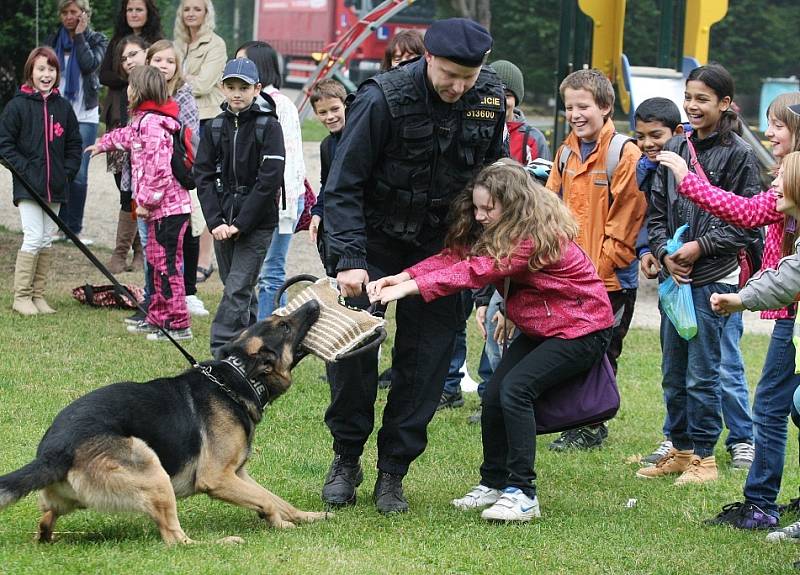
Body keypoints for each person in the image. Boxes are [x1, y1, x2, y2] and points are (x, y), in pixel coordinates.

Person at [321, 18, 505, 514]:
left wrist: (485, 249)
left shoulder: (489, 99)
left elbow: (495, 176)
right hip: (375, 243)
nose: (458, 86)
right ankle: (346, 457)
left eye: (468, 76)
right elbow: (343, 185)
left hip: (442, 248)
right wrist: (351, 260)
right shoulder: (383, 98)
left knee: (423, 367)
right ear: (428, 58)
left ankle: (393, 473)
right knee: (353, 358)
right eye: (449, 74)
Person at [367, 161, 614, 521]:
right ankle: (494, 483)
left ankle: (523, 494)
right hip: (545, 326)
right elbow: (456, 257)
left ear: (513, 205)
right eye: (478, 207)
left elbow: (476, 271)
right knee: (496, 393)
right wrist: (402, 275)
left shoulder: (531, 235)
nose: (481, 216)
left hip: (582, 329)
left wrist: (407, 290)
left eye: (488, 209)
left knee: (516, 390)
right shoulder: (500, 228)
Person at [656, 96, 800, 527]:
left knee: (774, 404)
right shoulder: (787, 180)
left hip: (787, 308)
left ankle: (759, 503)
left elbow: (745, 214)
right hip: (789, 314)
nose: (769, 133)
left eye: (777, 126)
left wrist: (687, 178)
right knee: (775, 406)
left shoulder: (792, 180)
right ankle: (759, 502)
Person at [636, 63, 760, 485]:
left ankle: (705, 458)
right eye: (688, 97)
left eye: (702, 99)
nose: (692, 106)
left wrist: (698, 247)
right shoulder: (675, 146)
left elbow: (746, 224)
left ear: (725, 104)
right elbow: (656, 212)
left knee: (704, 372)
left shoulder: (740, 154)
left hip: (713, 280)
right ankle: (681, 447)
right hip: (675, 281)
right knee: (673, 370)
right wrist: (662, 252)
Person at [441, 58, 553, 414]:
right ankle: (487, 388)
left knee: (509, 321)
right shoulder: (473, 127)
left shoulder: (531, 139)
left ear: (515, 99)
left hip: (517, 240)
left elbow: (542, 188)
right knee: (487, 316)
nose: (500, 101)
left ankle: (507, 392)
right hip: (484, 236)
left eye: (507, 95)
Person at [545, 68, 647, 451]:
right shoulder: (565, 153)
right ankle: (575, 419)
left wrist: (592, 275)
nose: (575, 114)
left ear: (605, 107)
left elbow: (625, 227)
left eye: (583, 106)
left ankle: (592, 426)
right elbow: (549, 211)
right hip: (569, 277)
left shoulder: (625, 153)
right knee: (570, 350)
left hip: (610, 281)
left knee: (602, 352)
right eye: (569, 106)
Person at [87, 66, 193, 341]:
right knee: (155, 266)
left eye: (131, 87)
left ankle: (179, 324)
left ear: (142, 90)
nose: (128, 92)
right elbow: (127, 137)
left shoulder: (154, 125)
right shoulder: (144, 120)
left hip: (168, 210)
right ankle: (157, 318)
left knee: (168, 267)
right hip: (159, 210)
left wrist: (145, 202)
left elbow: (159, 171)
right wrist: (104, 143)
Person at [193, 58, 285, 358]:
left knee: (236, 288)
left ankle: (219, 353)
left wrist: (241, 223)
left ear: (256, 89)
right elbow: (203, 175)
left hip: (257, 224)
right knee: (238, 289)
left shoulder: (269, 126)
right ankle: (254, 347)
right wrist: (216, 221)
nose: (236, 93)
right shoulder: (214, 126)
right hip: (223, 224)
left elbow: (269, 181)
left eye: (243, 88)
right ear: (221, 88)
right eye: (230, 87)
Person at [0, 46, 82, 315]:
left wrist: (67, 171)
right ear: (30, 72)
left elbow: (74, 143)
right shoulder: (17, 106)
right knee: (34, 235)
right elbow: (5, 145)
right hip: (28, 186)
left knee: (47, 238)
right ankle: (21, 296)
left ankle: (38, 295)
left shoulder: (64, 107)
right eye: (41, 69)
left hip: (56, 186)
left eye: (51, 69)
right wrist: (24, 170)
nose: (46, 74)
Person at [236, 41, 306, 319]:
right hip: (258, 199)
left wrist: (284, 206)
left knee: (271, 271)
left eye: (243, 63)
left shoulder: (279, 104)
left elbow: (287, 158)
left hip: (280, 200)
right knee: (258, 270)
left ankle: (269, 332)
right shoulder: (249, 102)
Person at [146, 39, 208, 318]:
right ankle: (153, 297)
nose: (163, 66)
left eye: (169, 61)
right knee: (152, 241)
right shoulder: (139, 92)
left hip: (180, 174)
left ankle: (188, 292)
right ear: (148, 62)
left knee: (188, 233)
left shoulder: (183, 94)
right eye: (158, 60)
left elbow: (190, 133)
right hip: (149, 180)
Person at [98, 0, 162, 262]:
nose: (134, 14)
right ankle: (137, 248)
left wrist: (138, 77)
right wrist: (132, 76)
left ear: (148, 13)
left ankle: (127, 252)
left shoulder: (157, 41)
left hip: (146, 120)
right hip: (119, 117)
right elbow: (104, 75)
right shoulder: (117, 42)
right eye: (130, 10)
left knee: (137, 188)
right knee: (122, 186)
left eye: (139, 9)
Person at [173, 0, 227, 286]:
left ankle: (204, 260)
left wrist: (175, 77)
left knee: (206, 187)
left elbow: (205, 84)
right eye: (186, 9)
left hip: (206, 121)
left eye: (197, 8)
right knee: (182, 189)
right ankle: (185, 254)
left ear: (207, 13)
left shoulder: (215, 44)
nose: (191, 13)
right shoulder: (177, 43)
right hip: (179, 121)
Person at [45, 0, 107, 245]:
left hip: (85, 116)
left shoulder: (96, 39)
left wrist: (80, 36)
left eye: (74, 12)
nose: (69, 16)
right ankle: (59, 227)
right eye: (65, 12)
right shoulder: (52, 40)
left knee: (79, 173)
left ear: (84, 14)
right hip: (57, 112)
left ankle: (74, 229)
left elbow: (90, 64)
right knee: (57, 170)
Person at [308, 78, 347, 263]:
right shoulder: (326, 146)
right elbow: (327, 184)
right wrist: (318, 212)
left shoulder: (358, 137)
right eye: (322, 112)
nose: (330, 116)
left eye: (335, 109)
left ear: (345, 105)